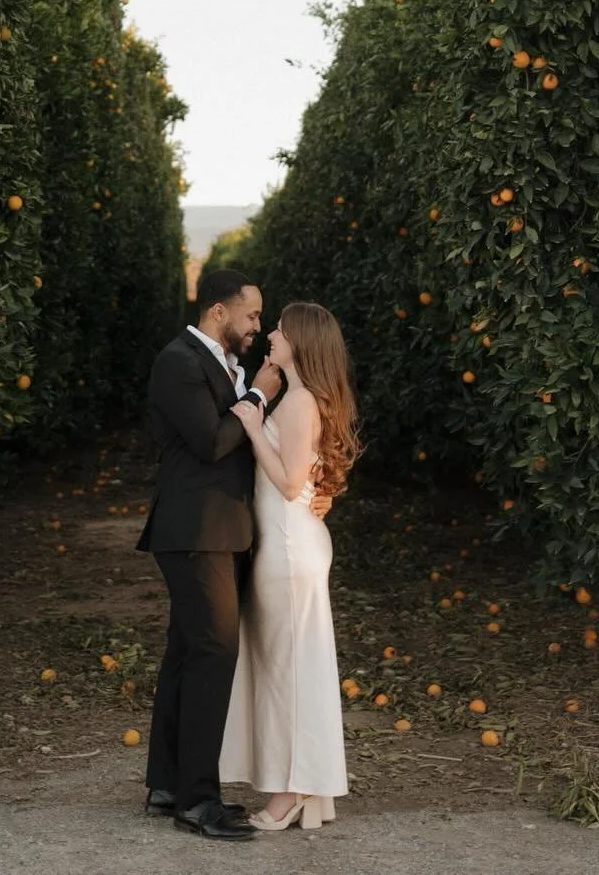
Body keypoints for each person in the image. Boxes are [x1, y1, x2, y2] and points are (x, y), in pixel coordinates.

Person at [136, 270, 333, 839]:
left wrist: (316, 483)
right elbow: (213, 441)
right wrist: (258, 396)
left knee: (185, 653)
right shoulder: (177, 361)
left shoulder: (231, 366)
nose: (257, 327)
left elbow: (274, 450)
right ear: (219, 313)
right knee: (213, 656)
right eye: (250, 316)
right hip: (196, 530)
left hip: (225, 530)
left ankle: (167, 783)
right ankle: (198, 802)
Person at [219, 300, 361, 832]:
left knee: (288, 673)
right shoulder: (300, 398)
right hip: (287, 542)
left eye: (280, 329)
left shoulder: (300, 402)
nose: (272, 335)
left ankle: (292, 791)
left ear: (299, 340)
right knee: (285, 668)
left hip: (288, 547)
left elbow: (289, 482)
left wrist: (254, 426)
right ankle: (299, 785)